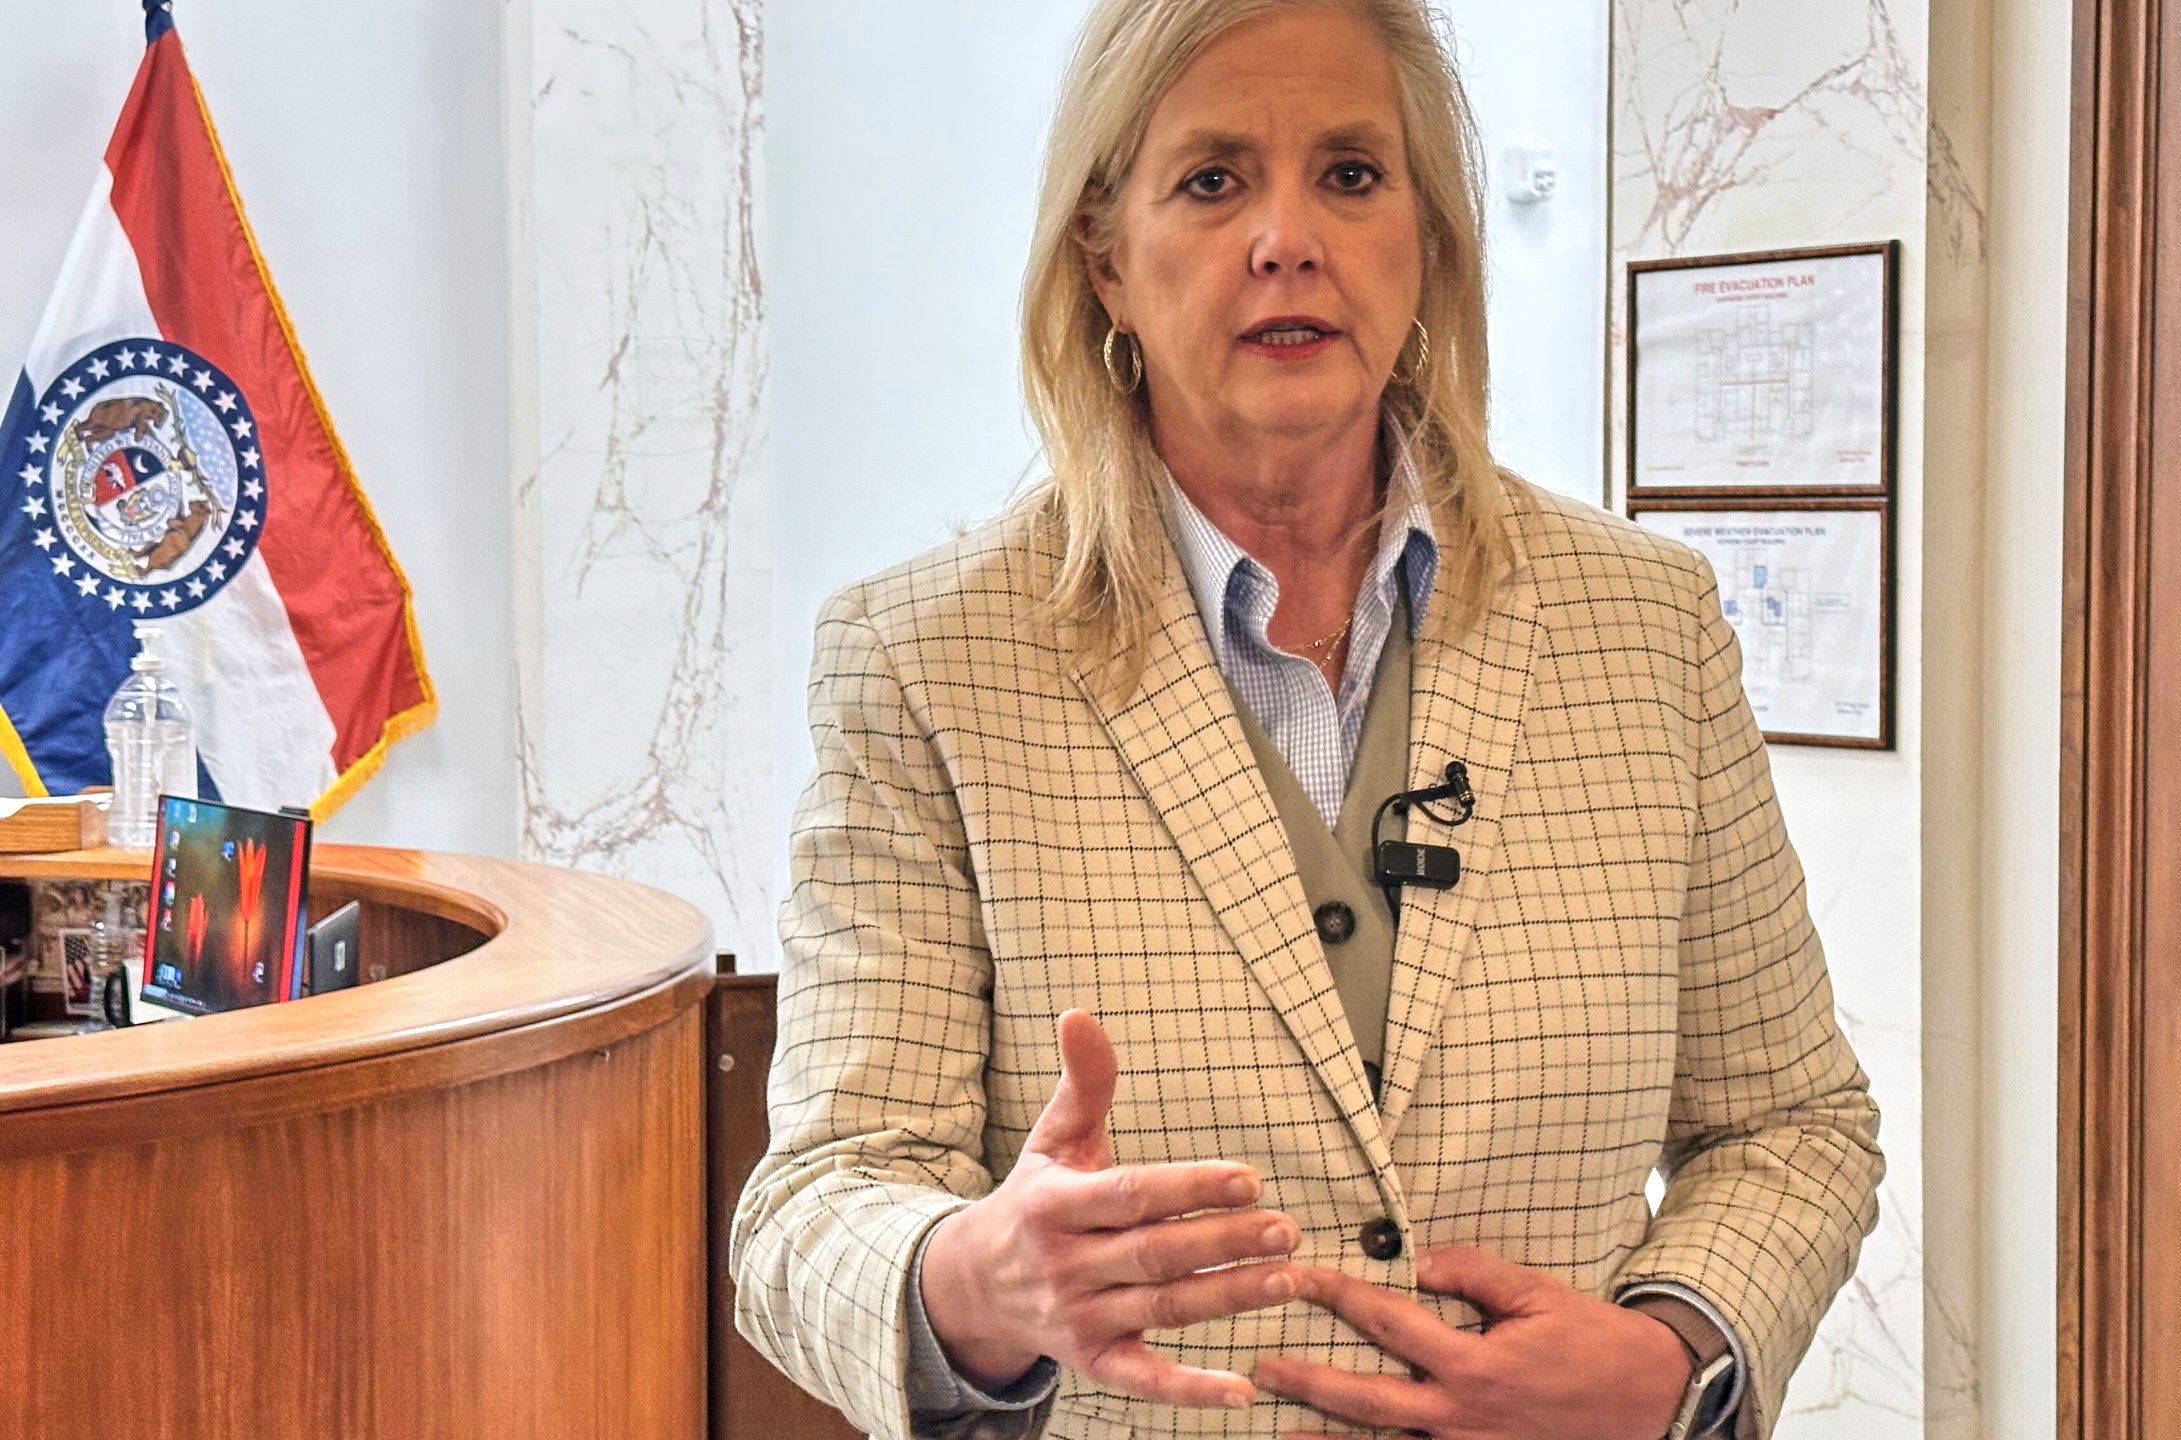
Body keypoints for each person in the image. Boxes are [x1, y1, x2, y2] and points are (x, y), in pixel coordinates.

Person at [730, 2, 1883, 1436]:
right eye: (1213, 180)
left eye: (1350, 173)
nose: (1289, 237)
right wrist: (974, 1273)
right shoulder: (929, 663)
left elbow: (1792, 1124)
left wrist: (1674, 1356)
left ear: (1426, 239)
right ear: (1104, 256)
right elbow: (807, 1212)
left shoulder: (1643, 627)